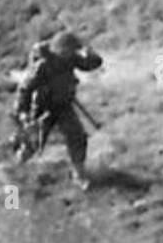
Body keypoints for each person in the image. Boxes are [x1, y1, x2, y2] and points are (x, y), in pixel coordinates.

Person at [12, 31, 103, 188]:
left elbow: (92, 64)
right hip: (42, 108)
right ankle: (14, 173)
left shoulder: (71, 59)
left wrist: (90, 51)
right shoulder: (42, 66)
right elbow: (25, 89)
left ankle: (79, 174)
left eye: (72, 51)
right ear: (59, 49)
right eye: (67, 50)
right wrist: (23, 113)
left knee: (77, 137)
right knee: (33, 144)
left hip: (63, 106)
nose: (69, 54)